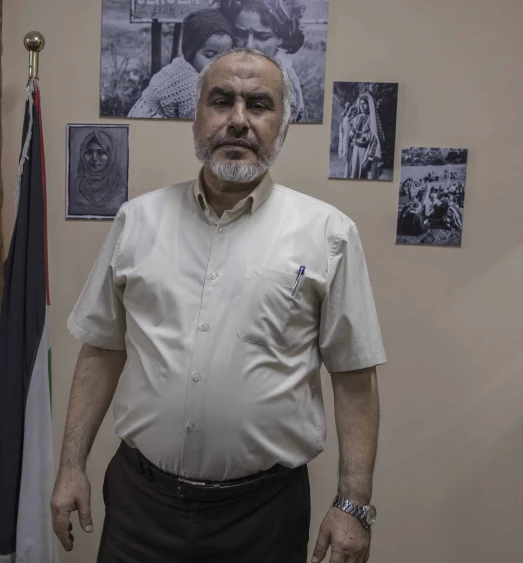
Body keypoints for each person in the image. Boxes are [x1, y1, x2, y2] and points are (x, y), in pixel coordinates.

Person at [51, 48, 387, 563]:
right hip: (141, 506)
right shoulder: (136, 222)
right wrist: (71, 465)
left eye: (258, 104)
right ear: (196, 118)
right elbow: (101, 350)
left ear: (283, 125)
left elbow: (354, 379)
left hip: (262, 517)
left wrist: (353, 505)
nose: (238, 120)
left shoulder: (329, 235)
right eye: (221, 101)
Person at [127, 9, 234, 119]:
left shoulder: (193, 67)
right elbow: (196, 122)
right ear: (191, 54)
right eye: (209, 55)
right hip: (148, 124)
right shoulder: (190, 85)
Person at [219, 0, 307, 122]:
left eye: (262, 37)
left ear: (281, 37)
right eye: (241, 33)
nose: (249, 45)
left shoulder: (285, 85)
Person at [75, 129, 125, 208]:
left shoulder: (120, 188)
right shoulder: (78, 187)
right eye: (88, 152)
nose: (94, 158)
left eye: (101, 152)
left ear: (111, 156)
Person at [342, 93, 384, 179]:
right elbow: (345, 127)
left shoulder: (372, 121)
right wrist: (349, 114)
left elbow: (375, 140)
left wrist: (369, 158)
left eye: (364, 104)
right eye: (360, 104)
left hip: (365, 152)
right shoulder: (357, 118)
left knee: (363, 175)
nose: (361, 106)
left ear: (369, 105)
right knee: (353, 174)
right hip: (354, 152)